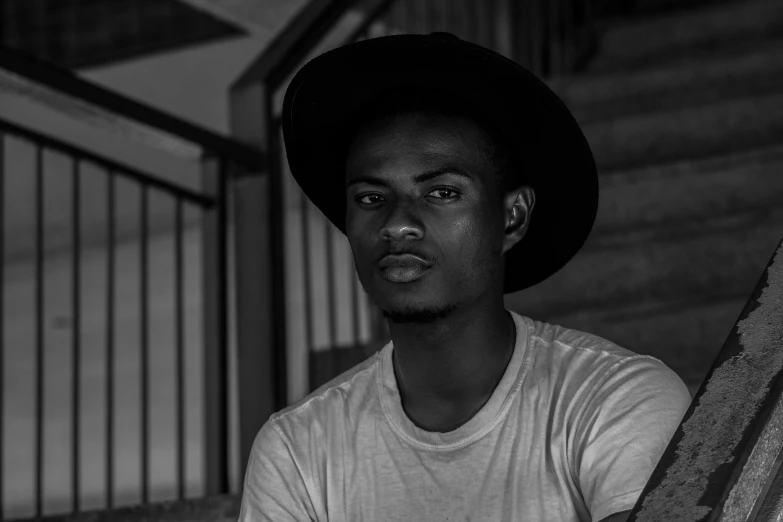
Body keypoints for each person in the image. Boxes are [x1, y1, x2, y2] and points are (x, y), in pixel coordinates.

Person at [239, 32, 691, 522]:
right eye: (371, 198)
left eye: (442, 193)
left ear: (513, 218)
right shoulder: (297, 448)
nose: (396, 223)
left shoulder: (616, 396)